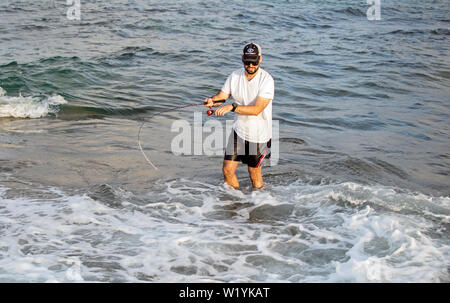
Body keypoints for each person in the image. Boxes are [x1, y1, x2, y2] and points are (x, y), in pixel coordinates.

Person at [204, 43, 274, 189]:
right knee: (227, 170)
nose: (250, 65)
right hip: (239, 132)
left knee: (254, 174)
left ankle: (259, 206)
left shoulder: (267, 80)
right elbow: (222, 96)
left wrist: (232, 107)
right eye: (247, 61)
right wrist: (213, 101)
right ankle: (237, 203)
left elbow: (257, 109)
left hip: (259, 136)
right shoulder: (235, 76)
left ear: (260, 59)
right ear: (242, 58)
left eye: (254, 61)